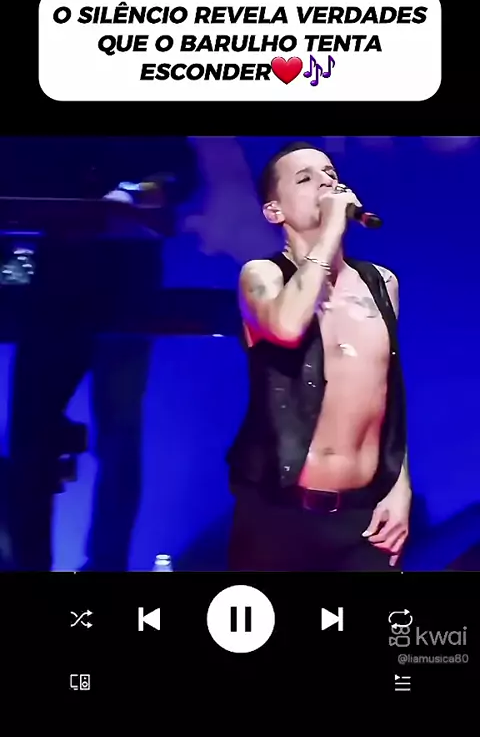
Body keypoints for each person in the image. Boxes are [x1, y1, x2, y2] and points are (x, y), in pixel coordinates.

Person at [1, 136, 198, 571]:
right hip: (57, 280)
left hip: (125, 283)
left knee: (118, 434)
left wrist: (138, 193)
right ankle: (29, 564)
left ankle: (106, 565)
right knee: (32, 436)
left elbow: (181, 173)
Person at [226, 141, 412, 571]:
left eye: (330, 173)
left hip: (364, 518)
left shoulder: (381, 283)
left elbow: (387, 399)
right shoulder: (263, 276)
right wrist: (329, 233)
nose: (326, 183)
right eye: (305, 179)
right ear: (274, 211)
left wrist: (399, 486)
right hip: (278, 516)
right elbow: (287, 326)